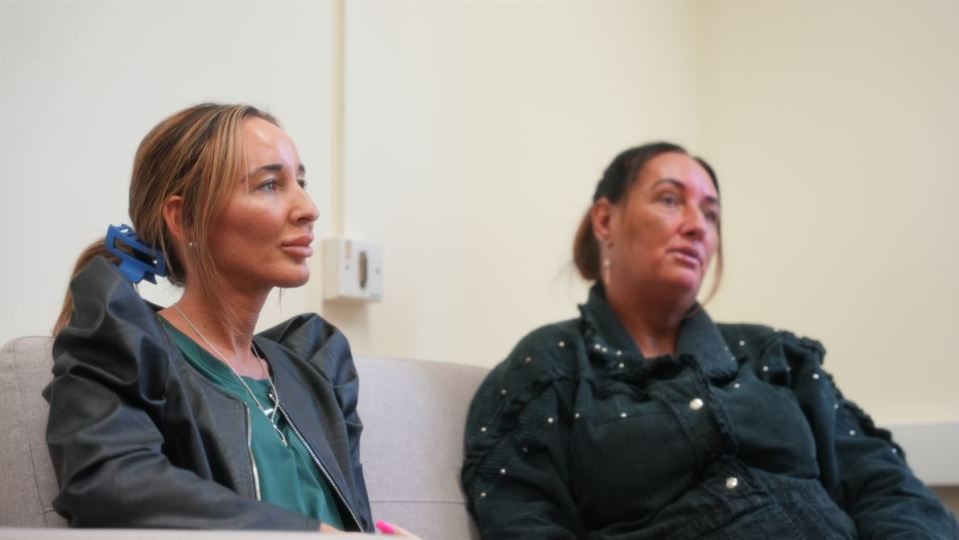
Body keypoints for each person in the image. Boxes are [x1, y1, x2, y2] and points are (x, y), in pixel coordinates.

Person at [461, 142, 959, 539]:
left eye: (712, 214)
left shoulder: (773, 356)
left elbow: (885, 484)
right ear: (606, 221)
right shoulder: (549, 365)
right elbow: (523, 517)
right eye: (670, 199)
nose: (698, 226)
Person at [46, 103, 414, 536]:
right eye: (271, 184)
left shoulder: (316, 371)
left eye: (302, 182)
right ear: (184, 219)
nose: (309, 208)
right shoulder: (124, 347)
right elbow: (110, 488)